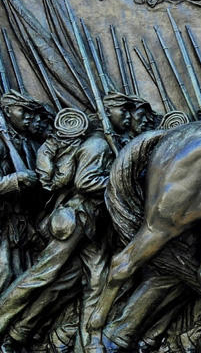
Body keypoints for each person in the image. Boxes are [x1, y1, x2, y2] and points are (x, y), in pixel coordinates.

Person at [0, 107, 114, 353]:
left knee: (94, 279)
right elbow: (84, 182)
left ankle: (89, 343)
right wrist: (123, 179)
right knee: (42, 275)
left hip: (94, 225)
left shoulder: (86, 144)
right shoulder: (95, 146)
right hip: (74, 219)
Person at [0, 91, 39, 293]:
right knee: (5, 271)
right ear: (7, 111)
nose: (28, 118)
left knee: (18, 273)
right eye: (22, 112)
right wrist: (15, 180)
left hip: (17, 221)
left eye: (31, 114)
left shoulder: (23, 141)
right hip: (4, 218)